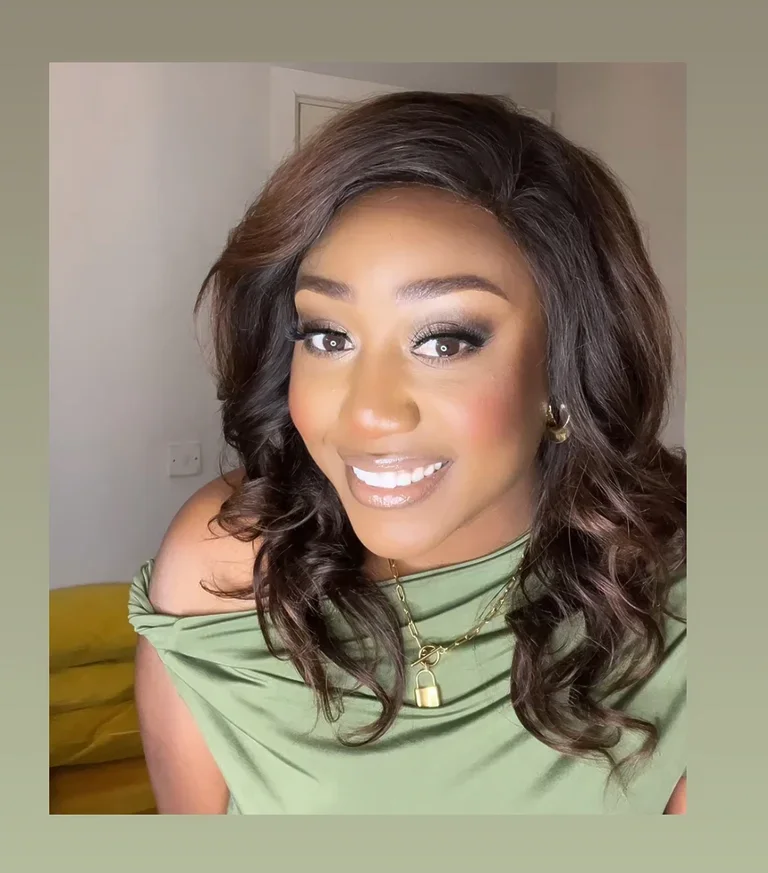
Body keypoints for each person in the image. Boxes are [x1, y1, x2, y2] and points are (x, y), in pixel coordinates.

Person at [129, 91, 687, 815]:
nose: (367, 411)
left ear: (564, 365)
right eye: (328, 336)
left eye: (444, 341)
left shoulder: (679, 611)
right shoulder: (227, 567)